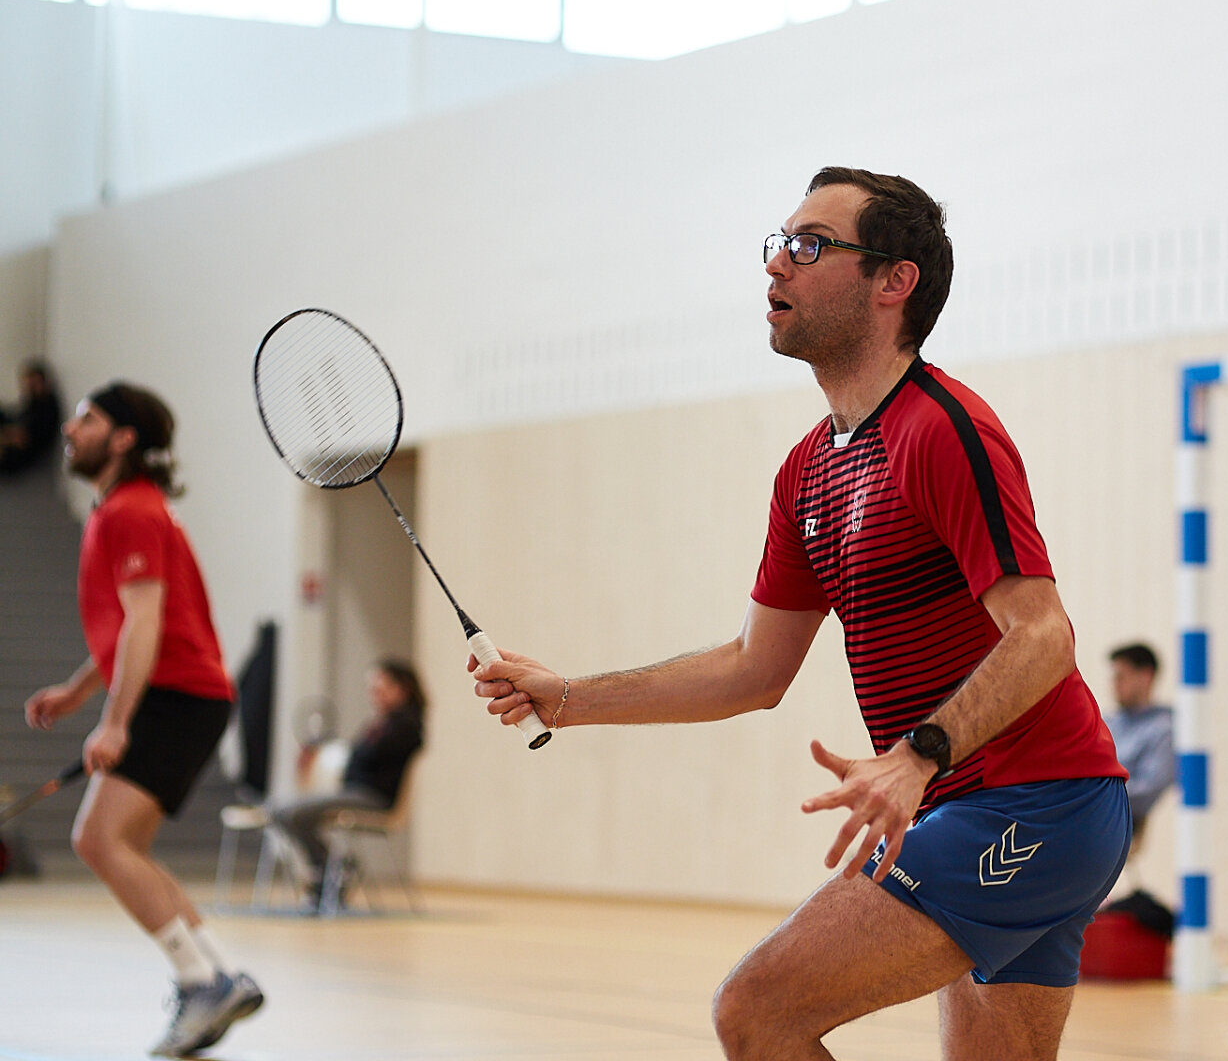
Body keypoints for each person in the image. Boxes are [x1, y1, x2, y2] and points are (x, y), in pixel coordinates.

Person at [473, 167, 1131, 1061]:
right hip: (982, 812)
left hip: (1036, 805)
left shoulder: (943, 430)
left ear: (894, 281)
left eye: (811, 246)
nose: (777, 264)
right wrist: (569, 698)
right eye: (779, 243)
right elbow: (754, 668)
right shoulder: (808, 470)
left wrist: (916, 755)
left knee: (757, 1012)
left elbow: (1044, 636)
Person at [23, 383, 265, 1057]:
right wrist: (78, 691)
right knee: (123, 844)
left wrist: (115, 721)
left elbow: (146, 622)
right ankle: (218, 973)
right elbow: (130, 626)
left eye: (87, 419)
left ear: (123, 437)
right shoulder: (127, 508)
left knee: (97, 840)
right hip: (187, 694)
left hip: (175, 695)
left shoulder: (131, 510)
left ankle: (200, 982)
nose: (70, 430)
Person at [269, 658, 426, 909]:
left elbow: (367, 757)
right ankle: (333, 866)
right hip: (355, 791)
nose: (374, 695)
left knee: (295, 813)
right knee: (282, 811)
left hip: (373, 797)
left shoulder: (406, 726)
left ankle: (330, 867)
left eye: (380, 689)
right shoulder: (383, 723)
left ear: (400, 689)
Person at [1105, 643, 1175, 846]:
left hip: (1113, 824)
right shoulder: (1107, 723)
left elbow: (1147, 791)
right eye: (1114, 677)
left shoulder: (1163, 729)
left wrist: (1091, 791)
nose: (1115, 684)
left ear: (1146, 677)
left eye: (1121, 677)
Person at [0, 358, 62, 474]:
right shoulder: (33, 403)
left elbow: (22, 438)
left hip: (21, 458)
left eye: (33, 384)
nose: (29, 388)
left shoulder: (47, 407)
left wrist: (6, 435)